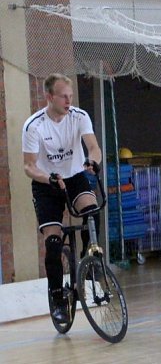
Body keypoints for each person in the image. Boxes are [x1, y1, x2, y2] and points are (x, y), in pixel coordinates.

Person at [23, 73, 103, 323]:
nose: (69, 100)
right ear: (49, 97)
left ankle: (89, 262)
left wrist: (93, 162)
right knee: (54, 242)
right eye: (63, 96)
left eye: (70, 95)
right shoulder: (34, 125)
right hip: (47, 183)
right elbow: (29, 166)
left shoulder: (79, 117)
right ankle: (58, 298)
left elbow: (93, 147)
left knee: (92, 211)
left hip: (75, 175)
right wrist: (48, 178)